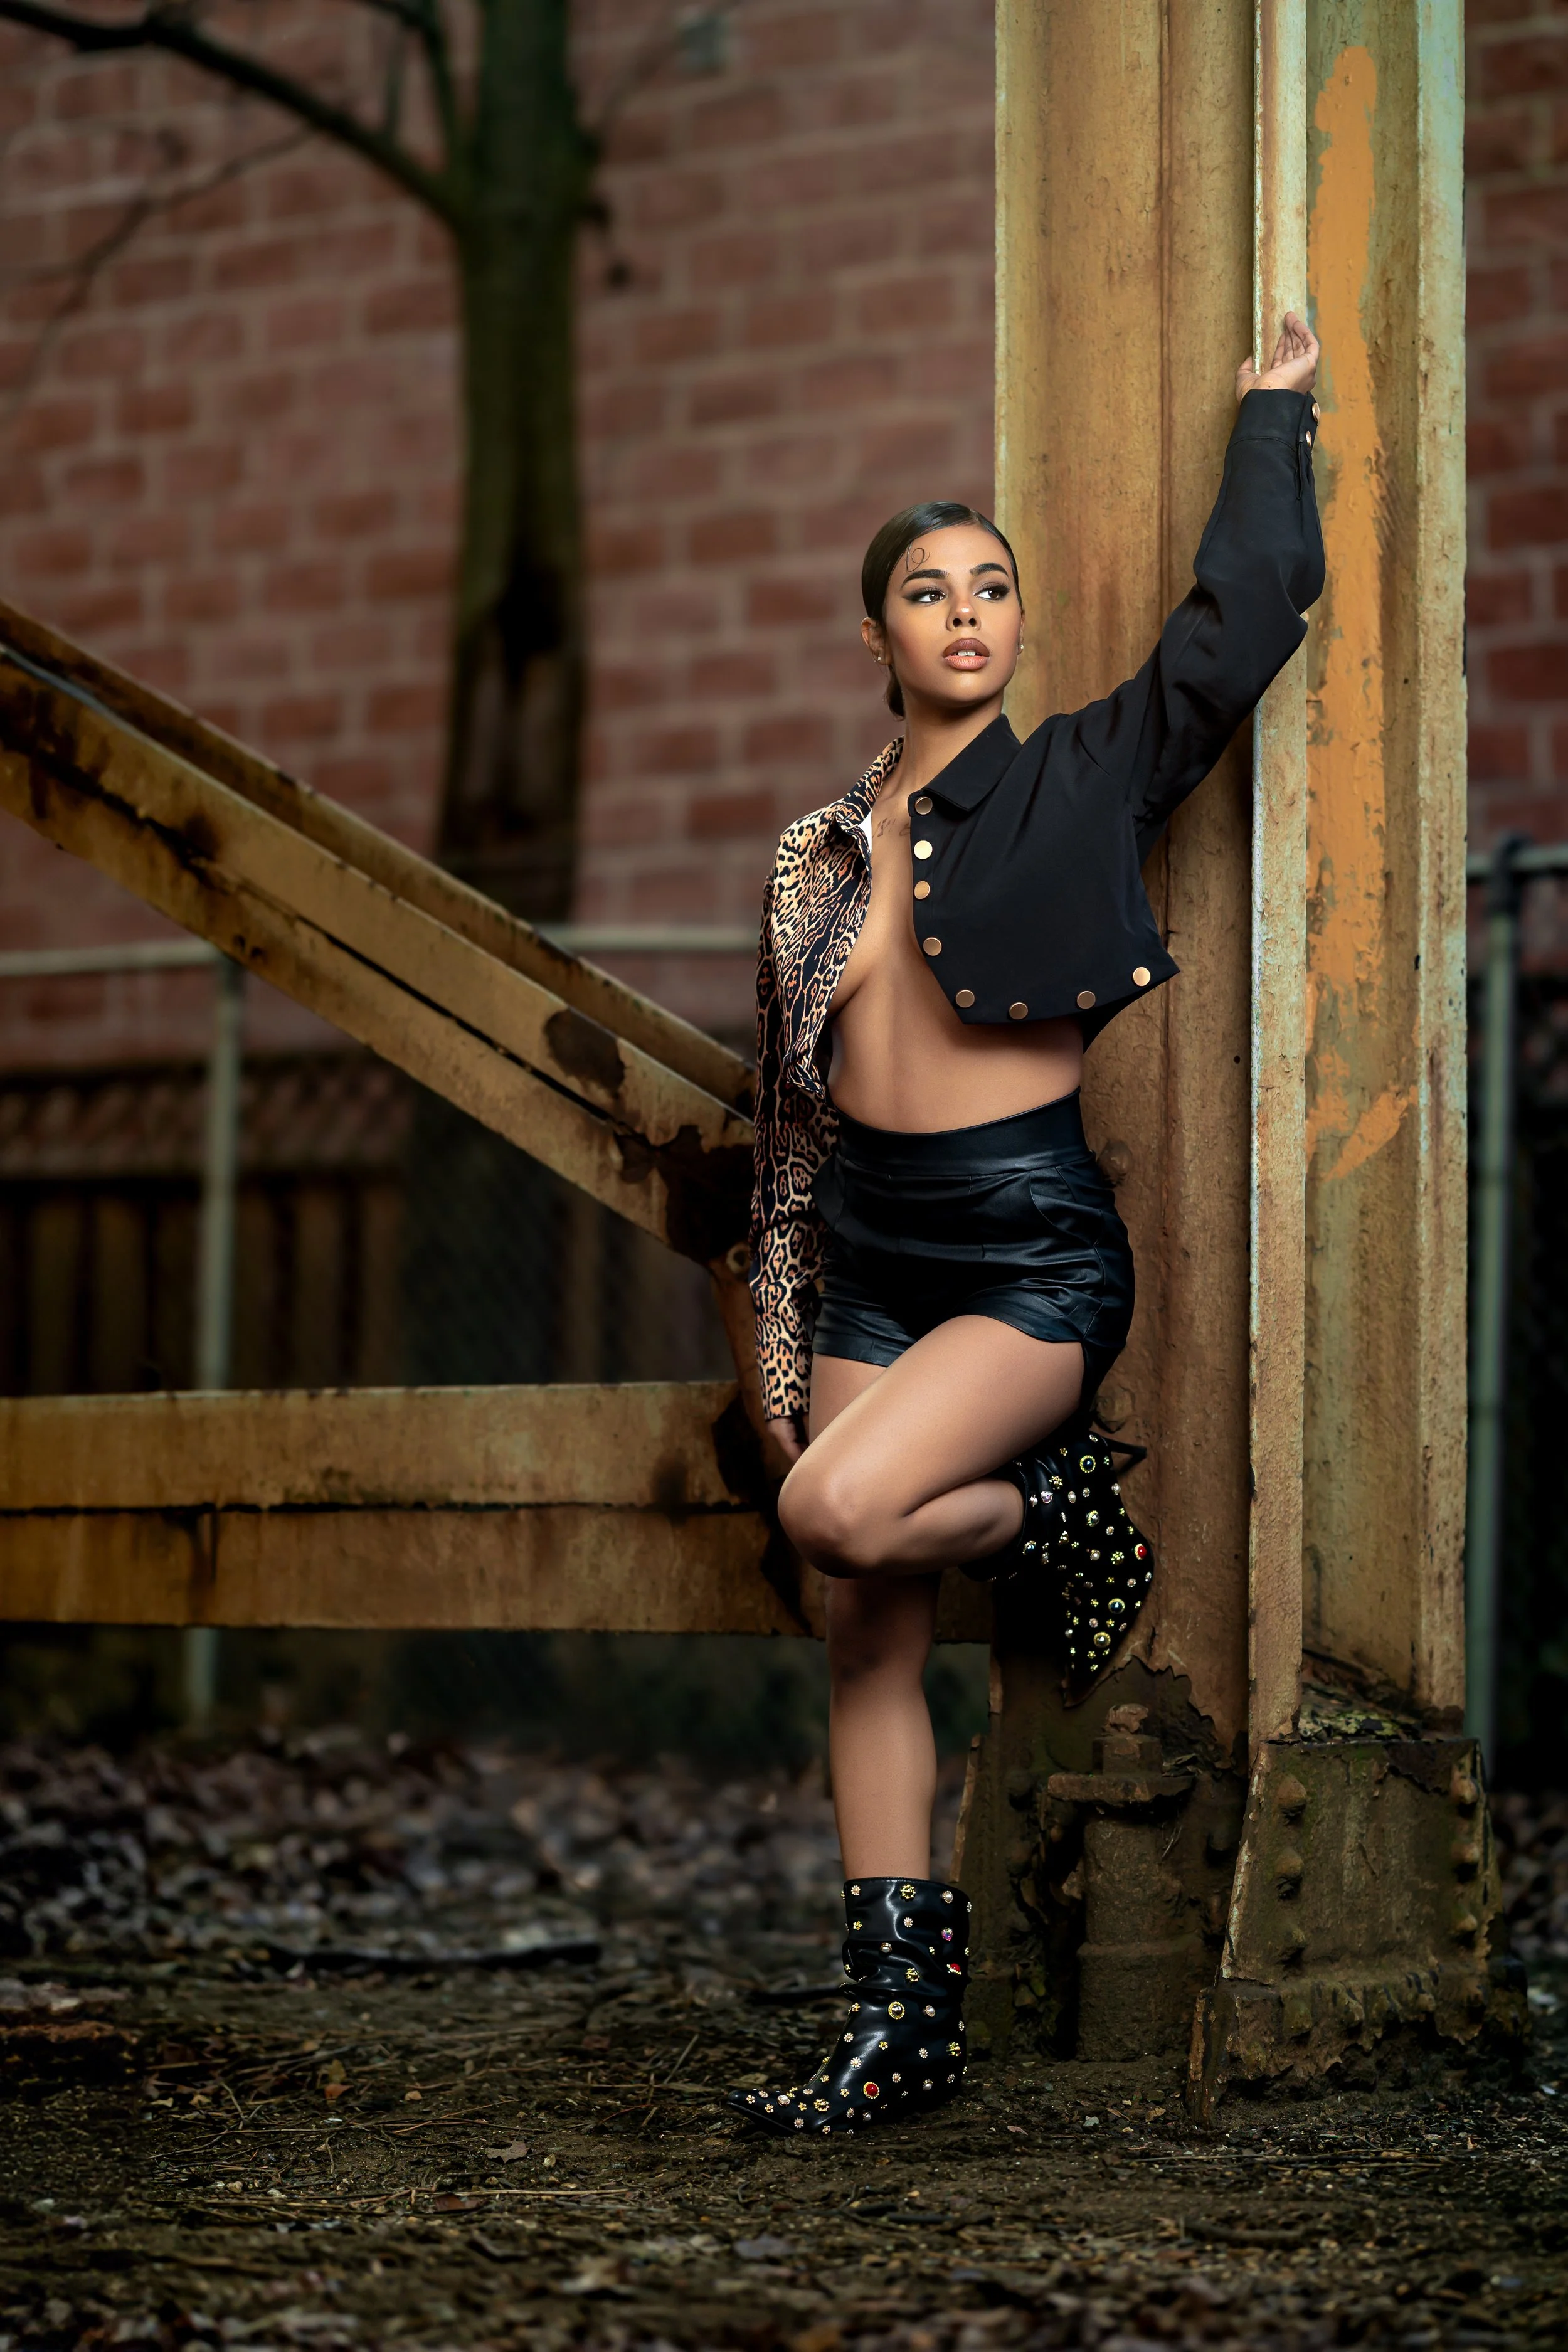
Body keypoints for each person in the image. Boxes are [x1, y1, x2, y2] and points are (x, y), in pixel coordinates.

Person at [729, 316, 1323, 2140]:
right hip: (871, 1252)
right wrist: (775, 1300)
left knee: (834, 1506)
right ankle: (899, 2030)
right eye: (929, 589)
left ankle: (1053, 1497)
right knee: (865, 1626)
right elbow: (781, 1118)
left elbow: (1235, 629)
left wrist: (1269, 417)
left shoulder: (1082, 771)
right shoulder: (815, 850)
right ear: (877, 635)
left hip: (1023, 1251)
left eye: (991, 586)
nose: (968, 613)